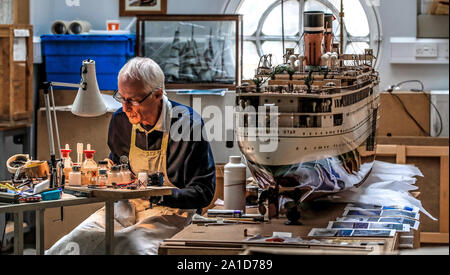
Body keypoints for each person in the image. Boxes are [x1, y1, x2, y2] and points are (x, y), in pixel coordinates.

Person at [47, 57, 216, 255]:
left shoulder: (188, 125)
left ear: (157, 95)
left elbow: (204, 192)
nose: (125, 107)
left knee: (128, 246)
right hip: (125, 209)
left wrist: (159, 196)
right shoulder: (121, 121)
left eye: (133, 100)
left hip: (170, 214)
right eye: (121, 97)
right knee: (72, 244)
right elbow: (117, 165)